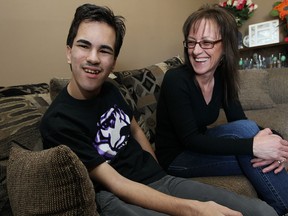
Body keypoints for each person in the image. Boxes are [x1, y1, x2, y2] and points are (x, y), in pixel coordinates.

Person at [40, 3, 279, 216]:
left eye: (104, 50)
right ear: (69, 52)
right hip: (116, 195)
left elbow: (133, 128)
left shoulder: (110, 90)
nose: (93, 58)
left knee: (262, 211)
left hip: (156, 178)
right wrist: (196, 208)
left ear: (113, 60)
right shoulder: (59, 121)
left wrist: (157, 169)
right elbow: (117, 184)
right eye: (84, 46)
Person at [155, 4, 288, 216]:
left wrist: (278, 143)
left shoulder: (222, 77)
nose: (197, 50)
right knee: (253, 149)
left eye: (206, 42)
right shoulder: (175, 80)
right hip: (176, 158)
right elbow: (191, 140)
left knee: (251, 136)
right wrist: (255, 146)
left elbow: (240, 120)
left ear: (225, 46)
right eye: (191, 43)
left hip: (200, 143)